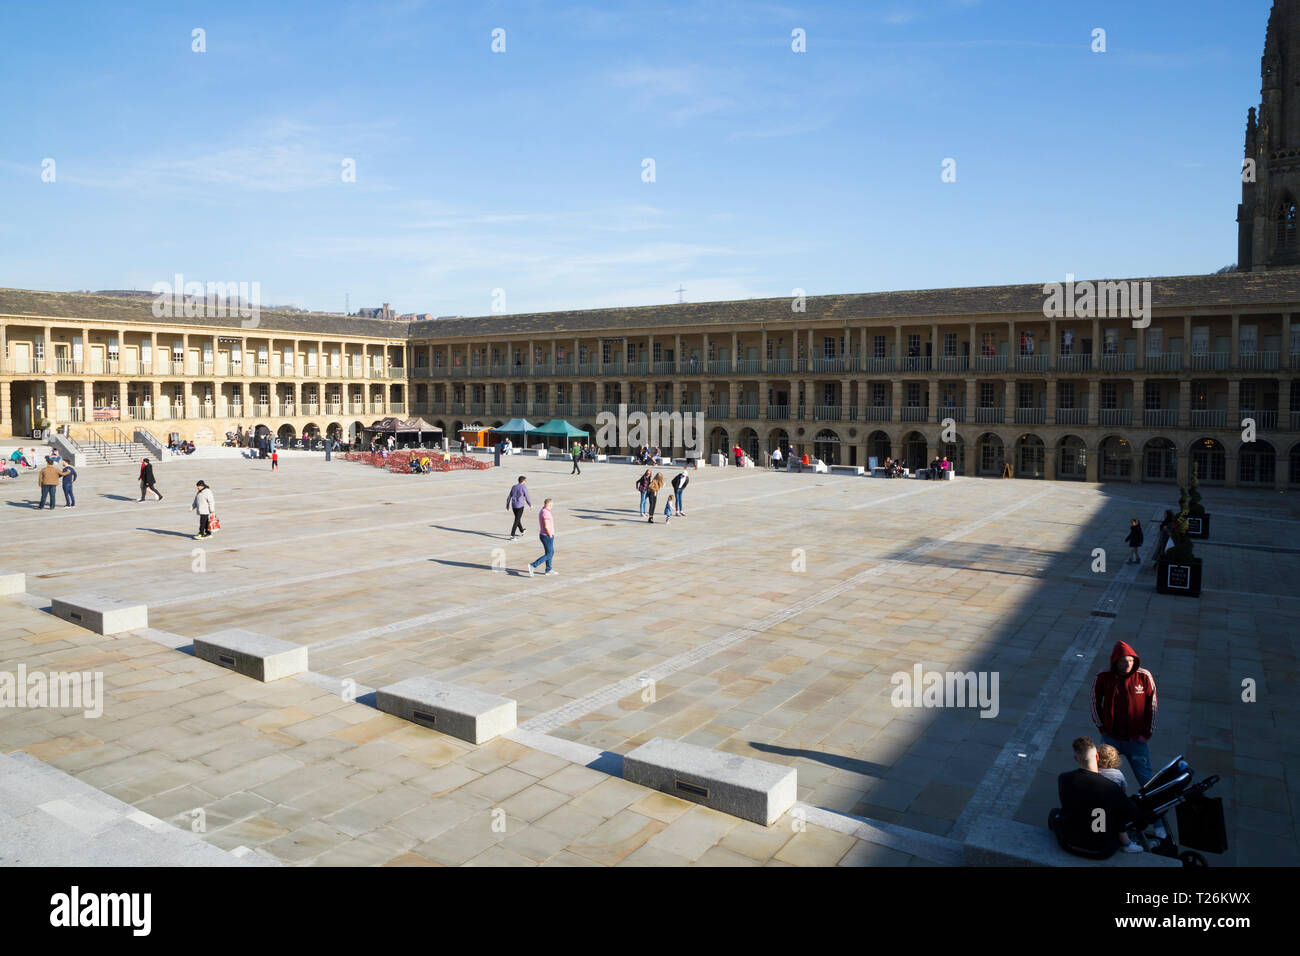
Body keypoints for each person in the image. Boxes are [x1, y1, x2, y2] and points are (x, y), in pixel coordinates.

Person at [1091, 640, 1166, 840]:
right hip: (1111, 740)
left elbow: (1153, 706)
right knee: (1104, 781)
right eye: (1123, 661)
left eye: (1131, 661)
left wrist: (1146, 734)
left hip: (1136, 741)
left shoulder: (1144, 677)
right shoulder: (1103, 677)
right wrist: (1102, 727)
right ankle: (1102, 821)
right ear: (1115, 661)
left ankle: (1158, 823)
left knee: (1148, 782)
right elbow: (1094, 701)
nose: (1128, 665)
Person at [1050, 736, 1142, 858]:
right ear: (1097, 757)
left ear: (1076, 759)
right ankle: (1127, 844)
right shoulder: (1111, 787)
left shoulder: (1064, 778)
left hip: (1069, 843)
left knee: (1054, 813)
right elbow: (1132, 814)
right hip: (1101, 849)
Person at [528, 498, 556, 576]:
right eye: (552, 505)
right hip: (546, 535)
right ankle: (533, 565)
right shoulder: (545, 513)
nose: (552, 507)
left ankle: (548, 569)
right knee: (549, 554)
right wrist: (550, 535)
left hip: (546, 535)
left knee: (550, 552)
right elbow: (546, 526)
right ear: (549, 505)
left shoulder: (543, 511)